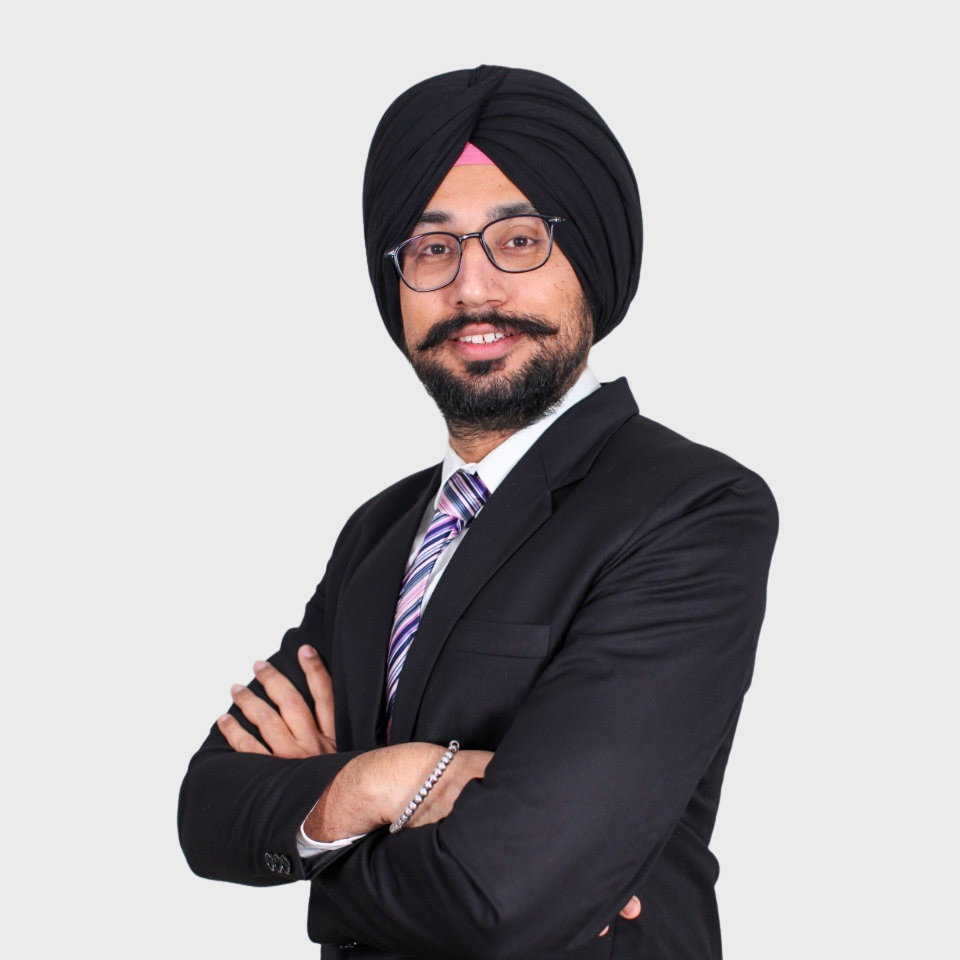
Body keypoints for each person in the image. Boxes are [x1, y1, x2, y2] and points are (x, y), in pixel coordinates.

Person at [178, 64, 779, 960]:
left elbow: (500, 893)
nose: (473, 290)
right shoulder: (380, 533)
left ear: (590, 258)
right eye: (432, 248)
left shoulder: (691, 508)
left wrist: (325, 861)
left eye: (519, 240)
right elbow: (209, 811)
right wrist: (398, 780)